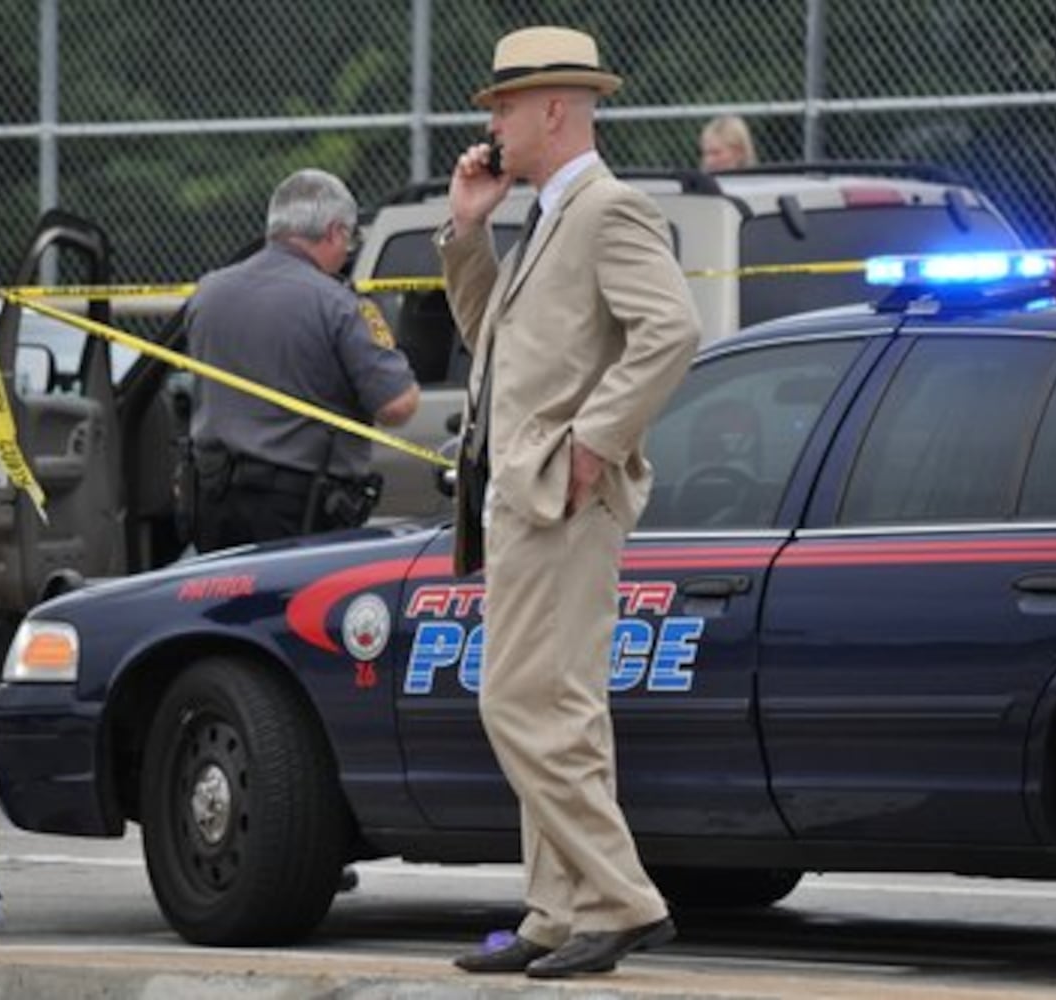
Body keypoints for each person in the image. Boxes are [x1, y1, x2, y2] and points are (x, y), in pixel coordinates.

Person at [438, 25, 701, 980]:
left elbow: (672, 329)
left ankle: (622, 899)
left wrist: (596, 440)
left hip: (560, 496)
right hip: (530, 497)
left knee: (516, 702)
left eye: (505, 107)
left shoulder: (605, 209)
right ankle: (557, 911)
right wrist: (469, 232)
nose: (494, 126)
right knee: (560, 711)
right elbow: (491, 342)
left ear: (554, 109)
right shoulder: (548, 215)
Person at [184, 168, 419, 552]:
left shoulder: (208, 292)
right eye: (349, 238)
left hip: (212, 500)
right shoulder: (340, 304)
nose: (347, 251)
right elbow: (397, 405)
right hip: (299, 511)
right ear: (334, 232)